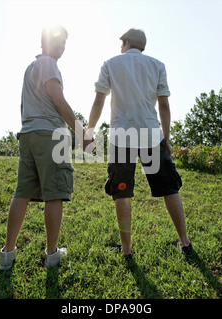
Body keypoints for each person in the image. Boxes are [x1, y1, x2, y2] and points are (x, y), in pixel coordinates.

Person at [87, 28, 192, 259]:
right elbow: (163, 106)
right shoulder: (157, 65)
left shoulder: (110, 64)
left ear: (125, 43)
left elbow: (99, 101)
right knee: (169, 187)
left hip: (121, 137)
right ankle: (185, 243)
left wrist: (89, 130)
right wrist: (167, 138)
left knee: (122, 192)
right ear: (142, 46)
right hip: (151, 135)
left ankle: (126, 251)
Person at [0, 25, 93, 270]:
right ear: (46, 43)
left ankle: (7, 254)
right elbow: (58, 100)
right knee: (56, 192)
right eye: (58, 42)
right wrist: (81, 133)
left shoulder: (30, 68)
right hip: (51, 134)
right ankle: (52, 254)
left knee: (22, 192)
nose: (61, 47)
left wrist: (30, 127)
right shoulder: (49, 64)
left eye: (64, 43)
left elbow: (22, 105)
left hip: (28, 133)